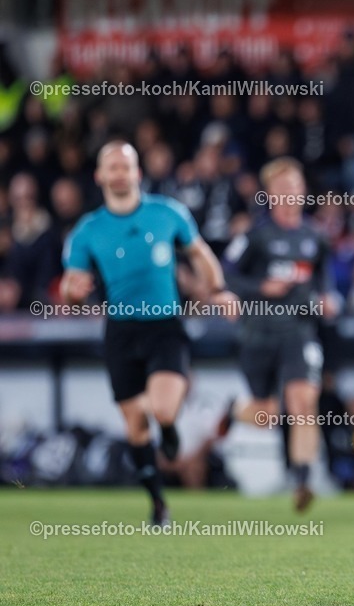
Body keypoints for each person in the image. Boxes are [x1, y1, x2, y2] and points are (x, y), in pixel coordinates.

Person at [60, 140, 236, 526]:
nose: (120, 173)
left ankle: (170, 427)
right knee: (136, 424)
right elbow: (71, 285)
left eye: (126, 166)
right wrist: (72, 292)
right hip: (120, 331)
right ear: (100, 176)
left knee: (161, 408)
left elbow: (199, 253)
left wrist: (219, 290)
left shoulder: (167, 213)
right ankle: (158, 504)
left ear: (138, 173)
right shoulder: (87, 231)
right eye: (113, 167)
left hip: (164, 326)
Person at [218, 157, 338, 512]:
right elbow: (227, 274)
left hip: (299, 331)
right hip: (258, 331)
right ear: (270, 195)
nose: (291, 194)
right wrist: (260, 287)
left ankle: (302, 480)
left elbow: (323, 280)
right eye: (283, 188)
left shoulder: (314, 236)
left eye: (296, 187)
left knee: (304, 404)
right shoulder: (256, 235)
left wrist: (327, 299)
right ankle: (233, 411)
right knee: (267, 414)